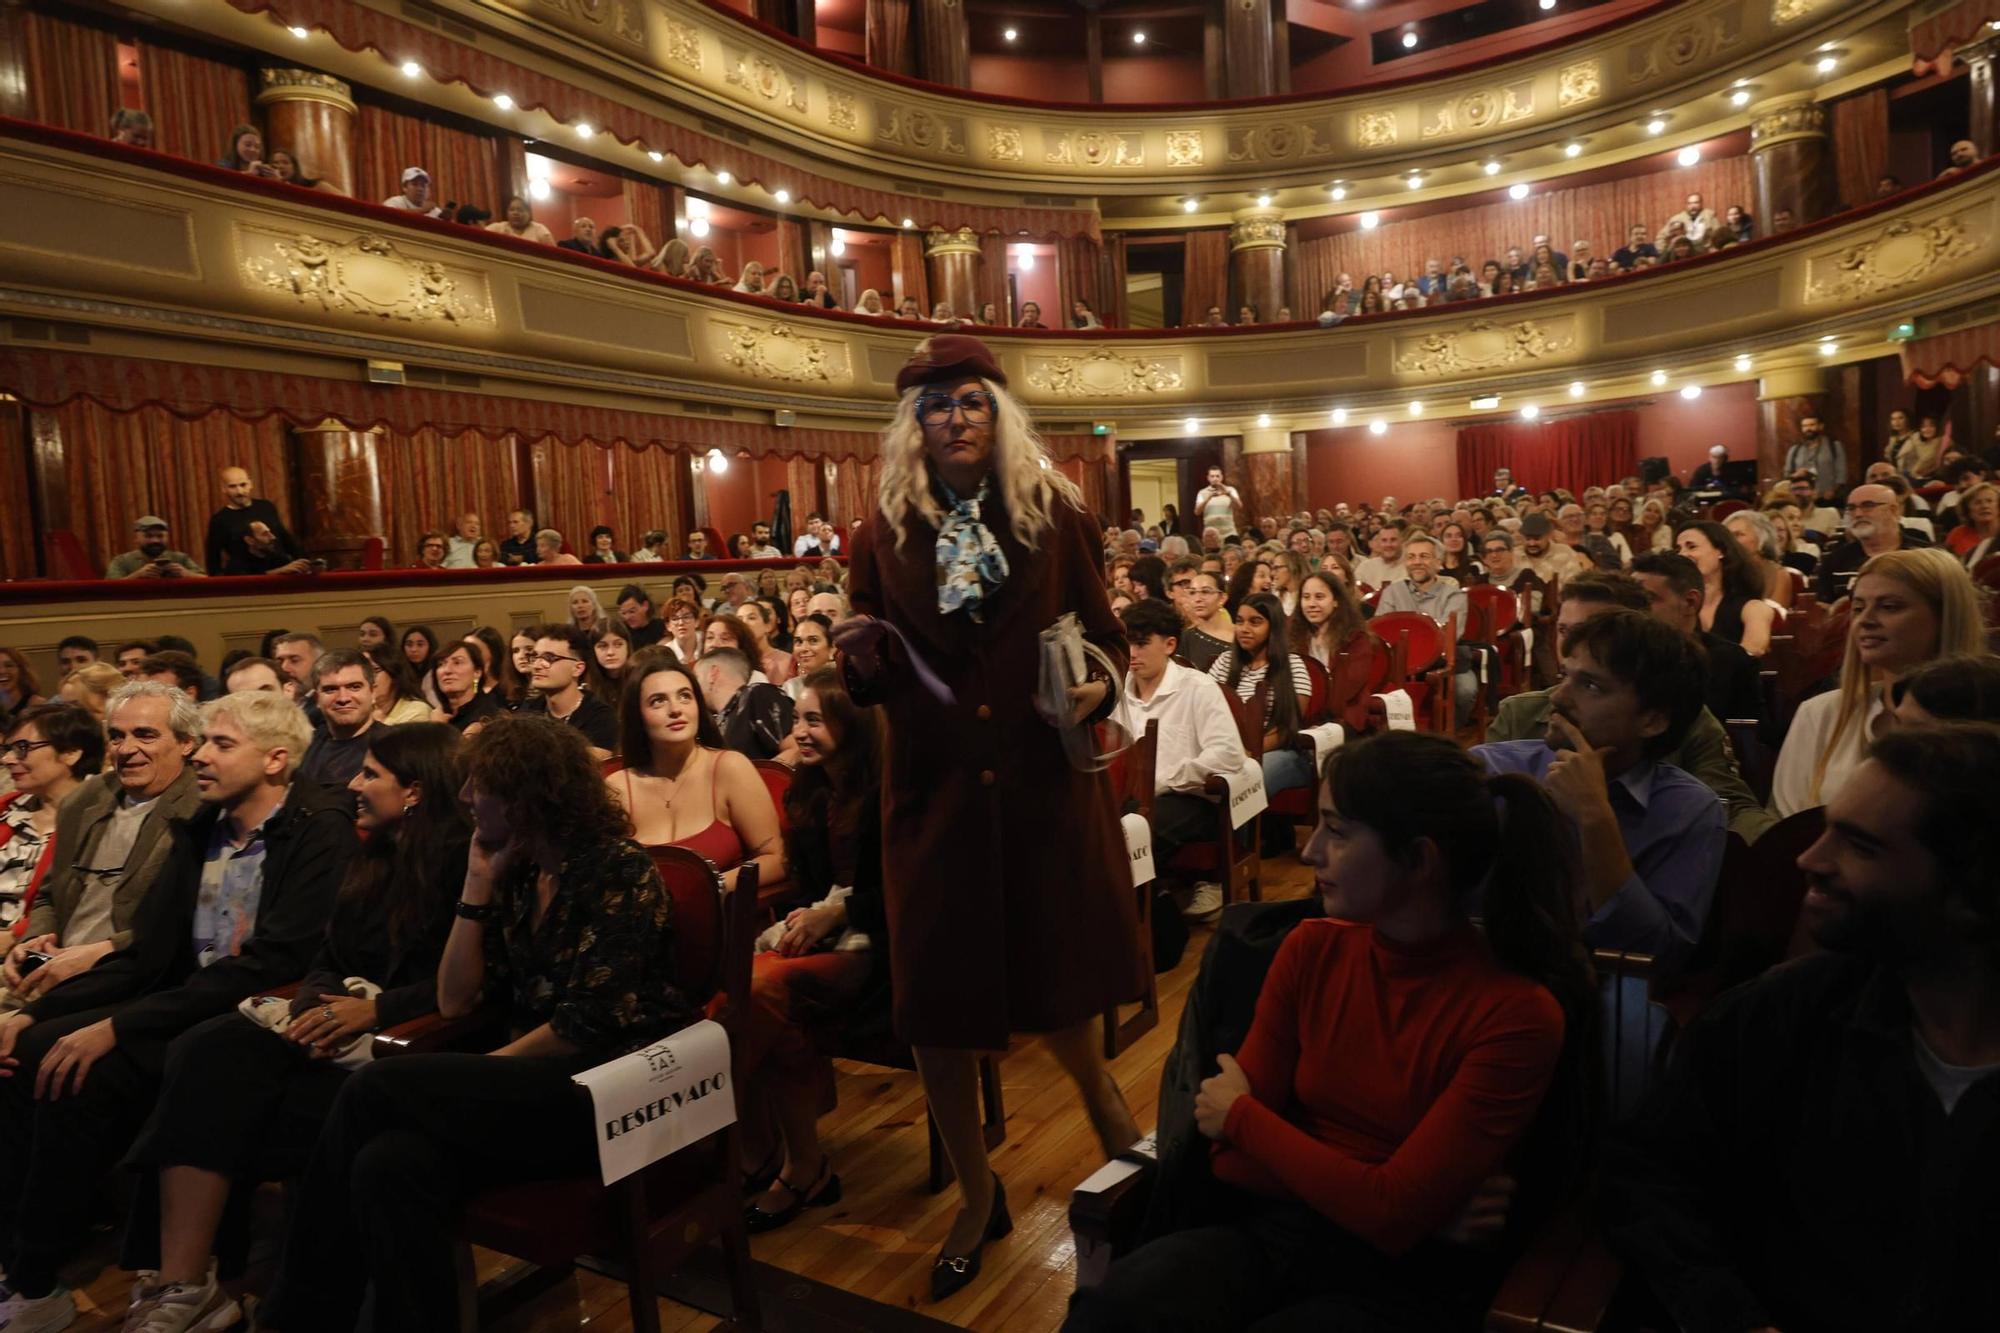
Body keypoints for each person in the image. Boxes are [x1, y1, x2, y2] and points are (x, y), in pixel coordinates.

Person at [1066, 730, 1597, 1332]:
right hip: (1277, 1235)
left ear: (1421, 860)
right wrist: (1404, 1203)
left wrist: (1244, 1116)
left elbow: (1375, 1209)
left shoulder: (1518, 1014)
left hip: (1403, 1278)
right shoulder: (1311, 949)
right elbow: (1230, 1162)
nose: (1310, 852)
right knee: (1114, 1310)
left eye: (1338, 832)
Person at [836, 333, 1142, 1300]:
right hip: (933, 804)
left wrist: (1095, 689)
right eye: (936, 406)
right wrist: (860, 658)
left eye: (970, 401)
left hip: (1042, 797)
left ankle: (1127, 1151)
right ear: (913, 425)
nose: (954, 419)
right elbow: (865, 658)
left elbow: (1109, 640)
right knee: (940, 1017)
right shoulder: (881, 531)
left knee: (1066, 1001)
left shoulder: (1056, 513)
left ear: (997, 413)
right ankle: (977, 1195)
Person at [252, 716, 694, 1333]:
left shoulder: (618, 869)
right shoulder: (520, 869)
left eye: (478, 785)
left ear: (526, 796)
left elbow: (586, 1026)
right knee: (388, 1164)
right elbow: (456, 1000)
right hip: (537, 1082)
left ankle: (297, 1314)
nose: (462, 797)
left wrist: (477, 1074)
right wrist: (477, 881)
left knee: (375, 1086)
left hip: (609, 1090)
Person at [1602, 722, 2000, 1332]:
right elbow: (1648, 1178)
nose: (1809, 860)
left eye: (1860, 846)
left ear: (1972, 894)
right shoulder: (1778, 1014)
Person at [0, 693, 355, 1327]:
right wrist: (36, 1011)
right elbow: (150, 954)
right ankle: (27, 1271)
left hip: (263, 1016)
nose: (200, 756)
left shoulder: (316, 827)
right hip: (188, 1002)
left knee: (86, 1067)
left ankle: (86, 1275)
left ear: (275, 759)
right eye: (203, 741)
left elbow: (274, 962)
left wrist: (117, 1026)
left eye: (221, 744)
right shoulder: (204, 827)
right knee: (31, 1049)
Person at [116, 723, 469, 1330]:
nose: (352, 785)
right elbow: (327, 956)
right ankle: (184, 1282)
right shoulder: (374, 855)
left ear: (414, 790)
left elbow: (467, 987)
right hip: (339, 1031)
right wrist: (313, 1005)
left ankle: (229, 1292)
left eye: (370, 774)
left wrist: (375, 1011)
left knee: (220, 1114)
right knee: (206, 1048)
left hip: (410, 1049)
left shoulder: (463, 861)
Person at [1474, 609, 1722, 968]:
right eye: (1565, 676)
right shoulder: (1493, 769)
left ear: (1652, 720)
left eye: (1590, 686)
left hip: (1601, 994)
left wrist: (1594, 817)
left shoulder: (1688, 810)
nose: (1558, 697)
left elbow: (1655, 956)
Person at [738, 668, 883, 1231]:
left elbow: (909, 891)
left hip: (883, 944)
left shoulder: (888, 790)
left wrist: (838, 913)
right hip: (831, 933)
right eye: (797, 718)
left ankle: (751, 1151)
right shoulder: (812, 789)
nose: (798, 731)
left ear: (852, 725)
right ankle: (791, 1161)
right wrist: (808, 919)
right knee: (745, 987)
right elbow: (806, 884)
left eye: (813, 720)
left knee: (759, 988)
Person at [1491, 569, 1772, 843]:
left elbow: (1729, 802)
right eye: (1564, 630)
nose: (1573, 644)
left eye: (1597, 632)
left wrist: (1777, 846)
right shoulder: (1520, 714)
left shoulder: (1685, 720)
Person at [2, 683, 203, 1015]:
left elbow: (185, 923)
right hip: (52, 969)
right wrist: (34, 940)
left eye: (145, 735)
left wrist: (103, 951)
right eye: (117, 736)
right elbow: (49, 895)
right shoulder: (84, 799)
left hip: (130, 978)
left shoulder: (200, 809)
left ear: (186, 743)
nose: (126, 749)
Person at [1772, 549, 1988, 817]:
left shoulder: (1986, 719)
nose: (1865, 620)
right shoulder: (1819, 714)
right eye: (1858, 608)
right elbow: (1789, 827)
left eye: (1890, 607)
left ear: (1945, 616)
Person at [1112, 600, 1254, 924]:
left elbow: (1228, 753)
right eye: (1127, 643)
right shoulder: (1120, 690)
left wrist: (1167, 779)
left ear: (1170, 644)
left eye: (1141, 643)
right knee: (1101, 829)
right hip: (1134, 797)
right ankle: (1139, 908)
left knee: (1137, 834)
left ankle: (1143, 919)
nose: (1132, 653)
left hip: (1189, 798)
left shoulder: (1197, 687)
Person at [607, 651, 783, 890]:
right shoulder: (617, 788)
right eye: (658, 701)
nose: (675, 709)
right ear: (637, 716)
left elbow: (775, 859)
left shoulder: (730, 767)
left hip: (723, 909)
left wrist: (706, 889)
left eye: (685, 696)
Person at [1210, 591, 1315, 829]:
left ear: (1273, 626)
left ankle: (1240, 846)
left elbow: (1287, 728)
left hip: (1281, 751)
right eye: (1239, 621)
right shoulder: (1225, 661)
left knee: (1246, 777)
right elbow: (1205, 711)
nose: (1244, 629)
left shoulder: (1293, 666)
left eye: (1255, 622)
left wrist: (1248, 753)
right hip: (1229, 748)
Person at [1628, 553, 1764, 728]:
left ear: (1690, 602)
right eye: (1631, 598)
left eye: (1647, 598)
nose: (1633, 608)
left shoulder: (1732, 662)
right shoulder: (1619, 655)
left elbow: (1749, 737)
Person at [0, 705, 101, 937]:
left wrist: (14, 936)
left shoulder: (101, 817)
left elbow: (78, 904)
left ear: (71, 753)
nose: (7, 759)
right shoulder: (7, 809)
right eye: (8, 749)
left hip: (42, 944)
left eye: (23, 748)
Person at [1816, 482, 1935, 602]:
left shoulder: (1926, 557)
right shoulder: (1835, 561)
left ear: (1893, 510)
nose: (1858, 514)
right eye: (1851, 508)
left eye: (1868, 506)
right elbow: (1825, 608)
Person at [1675, 520, 1776, 656]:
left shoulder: (1753, 608)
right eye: (1678, 549)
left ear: (1721, 551)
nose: (1682, 555)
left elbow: (1753, 650)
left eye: (1691, 547)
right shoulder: (1674, 605)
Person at [519, 626, 619, 757]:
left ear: (578, 669)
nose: (537, 666)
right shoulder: (528, 711)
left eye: (549, 658)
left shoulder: (600, 716)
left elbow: (588, 764)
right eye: (535, 657)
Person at [296, 651, 378, 796]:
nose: (343, 698)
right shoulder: (303, 745)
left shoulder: (393, 746)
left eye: (354, 687)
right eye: (330, 689)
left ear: (373, 693)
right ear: (317, 699)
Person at [694, 648, 795, 763]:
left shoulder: (757, 694)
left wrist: (752, 774)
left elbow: (795, 749)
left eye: (696, 677)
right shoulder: (715, 724)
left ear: (713, 674)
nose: (692, 686)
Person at [204, 467, 305, 577]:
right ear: (223, 488)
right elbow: (213, 559)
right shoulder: (219, 520)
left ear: (250, 484)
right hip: (247, 579)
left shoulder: (266, 507)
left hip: (283, 572)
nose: (239, 491)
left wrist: (303, 561)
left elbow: (284, 537)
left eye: (243, 485)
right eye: (232, 486)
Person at [429, 637, 502, 737]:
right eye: (441, 664)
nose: (447, 670)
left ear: (477, 672)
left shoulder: (489, 717)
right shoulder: (436, 714)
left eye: (457, 663)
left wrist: (438, 729)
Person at [107, 516, 205, 579]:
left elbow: (206, 579)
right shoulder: (122, 561)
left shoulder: (180, 558)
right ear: (136, 539)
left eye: (160, 536)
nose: (155, 541)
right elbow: (109, 587)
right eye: (148, 536)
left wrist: (187, 574)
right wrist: (137, 575)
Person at [1783, 416, 1847, 502]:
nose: (1808, 429)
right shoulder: (1795, 449)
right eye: (1804, 426)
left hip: (1828, 498)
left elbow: (1841, 474)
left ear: (1820, 426)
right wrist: (1796, 475)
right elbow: (1787, 475)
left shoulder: (1834, 446)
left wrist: (1833, 491)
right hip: (1803, 499)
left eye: (1812, 425)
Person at [784, 614, 834, 701]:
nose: (803, 648)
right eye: (799, 641)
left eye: (813, 640)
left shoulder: (846, 683)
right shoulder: (790, 687)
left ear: (832, 648)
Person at [1192, 466, 1243, 541]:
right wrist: (1208, 498)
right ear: (1208, 478)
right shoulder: (1202, 493)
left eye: (1217, 476)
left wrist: (1228, 494)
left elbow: (1239, 506)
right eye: (1212, 476)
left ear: (1221, 477)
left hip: (1229, 532)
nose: (1215, 479)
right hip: (1211, 534)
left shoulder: (1231, 490)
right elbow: (1197, 512)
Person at [485, 195, 555, 246]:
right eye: (511, 210)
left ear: (529, 214)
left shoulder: (540, 230)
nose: (515, 213)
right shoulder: (497, 228)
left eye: (520, 210)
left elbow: (553, 254)